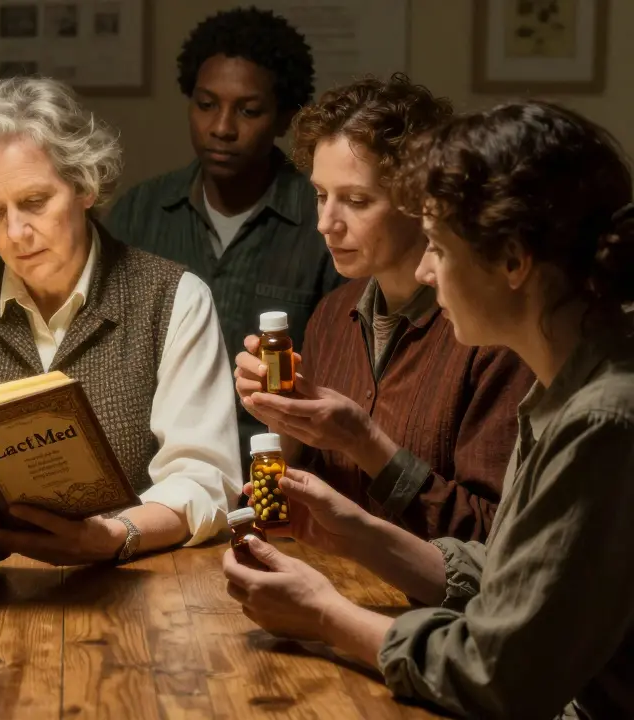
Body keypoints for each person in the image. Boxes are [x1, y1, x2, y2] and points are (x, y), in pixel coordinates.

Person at [223, 101, 634, 719]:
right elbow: (505, 573)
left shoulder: (603, 419)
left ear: (514, 262)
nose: (422, 268)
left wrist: (327, 616)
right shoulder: (563, 387)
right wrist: (356, 532)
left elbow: (497, 676)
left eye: (437, 246)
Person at [0, 77, 240, 565]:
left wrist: (114, 535)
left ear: (83, 186)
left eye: (35, 202)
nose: (16, 233)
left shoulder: (174, 299)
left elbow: (206, 480)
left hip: (134, 587)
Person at [233, 75, 534, 542]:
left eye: (356, 200)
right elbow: (309, 501)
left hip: (437, 610)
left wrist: (365, 443)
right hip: (333, 586)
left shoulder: (489, 334)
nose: (325, 224)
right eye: (320, 195)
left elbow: (490, 539)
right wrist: (285, 421)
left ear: (420, 202)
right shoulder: (333, 315)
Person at [105, 7, 342, 469]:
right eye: (206, 104)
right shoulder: (141, 212)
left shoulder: (320, 220)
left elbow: (342, 381)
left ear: (283, 119)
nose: (221, 128)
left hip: (277, 472)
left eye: (248, 110)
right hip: (155, 471)